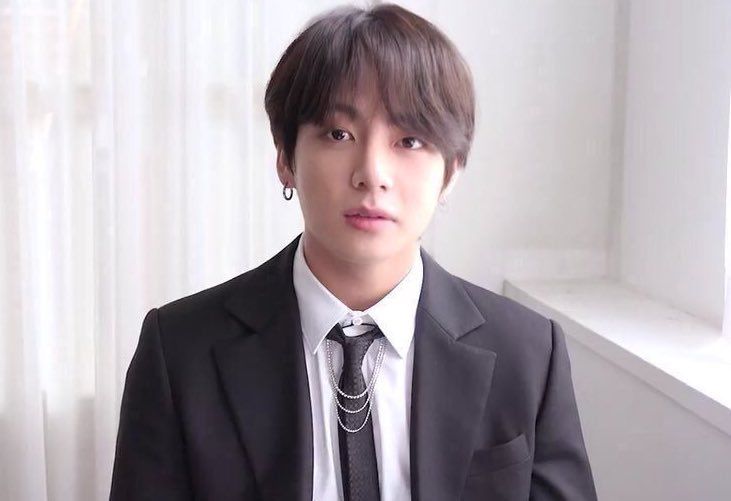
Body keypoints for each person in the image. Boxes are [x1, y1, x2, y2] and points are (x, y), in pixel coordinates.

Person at [110, 3, 597, 500]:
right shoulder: (180, 352)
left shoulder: (527, 354)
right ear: (285, 158)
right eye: (338, 134)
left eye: (409, 140)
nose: (372, 173)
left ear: (451, 172)